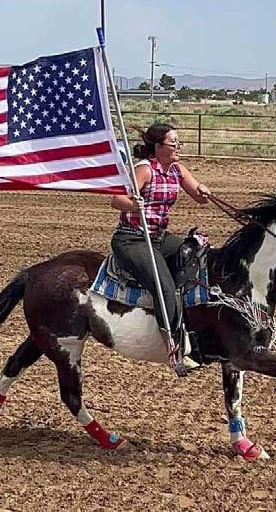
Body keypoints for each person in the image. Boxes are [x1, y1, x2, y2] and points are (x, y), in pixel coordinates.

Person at [110, 123, 211, 375]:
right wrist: (134, 205)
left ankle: (195, 329)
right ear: (158, 147)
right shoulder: (144, 170)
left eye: (178, 142)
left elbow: (198, 195)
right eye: (173, 143)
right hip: (132, 239)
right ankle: (173, 348)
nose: (178, 147)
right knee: (164, 287)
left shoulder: (177, 169)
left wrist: (203, 193)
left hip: (158, 237)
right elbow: (116, 199)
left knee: (199, 256)